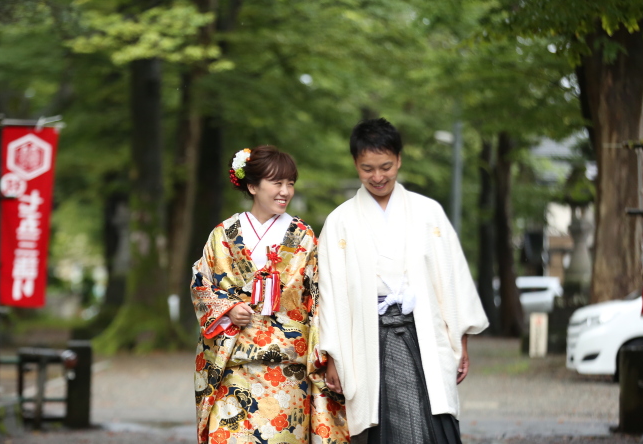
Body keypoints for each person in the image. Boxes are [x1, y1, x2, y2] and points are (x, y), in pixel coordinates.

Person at [317, 118, 489, 444]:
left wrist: (461, 341)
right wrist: (334, 358)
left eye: (385, 167)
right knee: (378, 421)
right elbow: (331, 295)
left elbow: (451, 279)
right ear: (355, 164)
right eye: (367, 169)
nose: (378, 177)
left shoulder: (428, 213)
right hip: (366, 339)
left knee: (432, 418)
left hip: (425, 333)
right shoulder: (340, 221)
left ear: (398, 159)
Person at [191, 145, 348, 444]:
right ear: (252, 186)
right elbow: (201, 285)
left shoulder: (304, 237)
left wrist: (329, 357)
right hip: (234, 366)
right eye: (277, 182)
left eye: (290, 183)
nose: (285, 191)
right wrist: (227, 309)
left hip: (288, 370)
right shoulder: (223, 235)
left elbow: (320, 299)